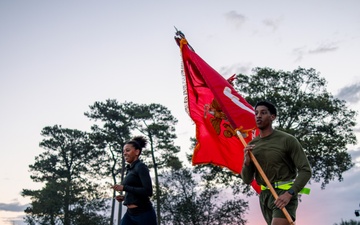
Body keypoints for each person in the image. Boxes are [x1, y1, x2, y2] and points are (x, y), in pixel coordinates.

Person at [241, 101, 312, 225]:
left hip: (283, 194)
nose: (258, 116)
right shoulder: (252, 146)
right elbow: (247, 179)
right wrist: (246, 162)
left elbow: (306, 170)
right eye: (256, 113)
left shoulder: (287, 140)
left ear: (272, 117)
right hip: (264, 196)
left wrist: (290, 193)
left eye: (263, 113)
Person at [111, 136, 157, 225]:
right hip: (130, 214)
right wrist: (125, 198)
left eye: (127, 150)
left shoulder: (141, 167)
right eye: (123, 151)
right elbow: (135, 190)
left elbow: (148, 191)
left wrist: (124, 187)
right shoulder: (130, 169)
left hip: (144, 213)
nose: (124, 153)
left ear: (137, 152)